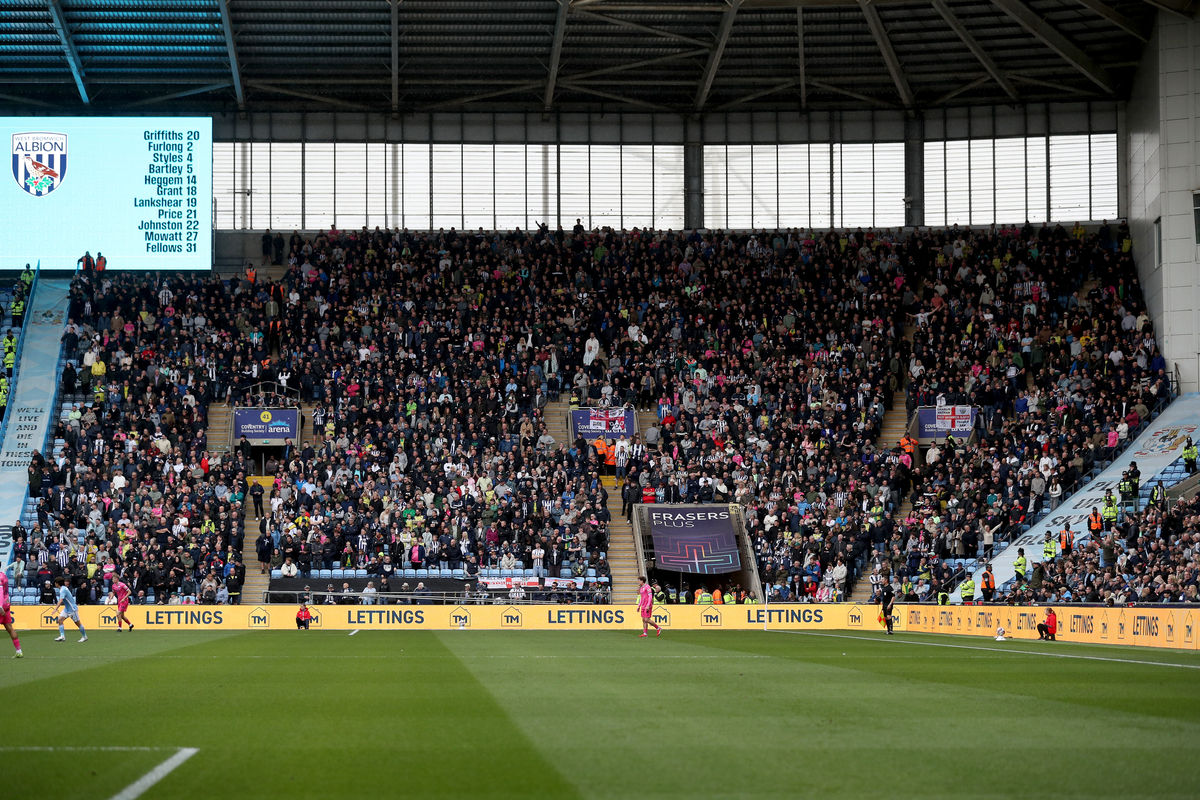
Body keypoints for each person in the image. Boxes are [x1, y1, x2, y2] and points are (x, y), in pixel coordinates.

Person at [51, 577, 87, 642]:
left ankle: (84, 637)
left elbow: (61, 600)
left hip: (72, 609)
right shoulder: (63, 588)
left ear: (57, 584)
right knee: (59, 620)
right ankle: (62, 636)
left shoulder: (63, 590)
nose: (55, 584)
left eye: (55, 583)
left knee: (78, 624)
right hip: (67, 609)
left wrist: (55, 609)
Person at [0, 569, 21, 658]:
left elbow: (0, 592)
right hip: (7, 603)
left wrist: (0, 606)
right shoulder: (3, 575)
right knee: (10, 628)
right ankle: (19, 651)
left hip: (1, 605)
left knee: (10, 628)